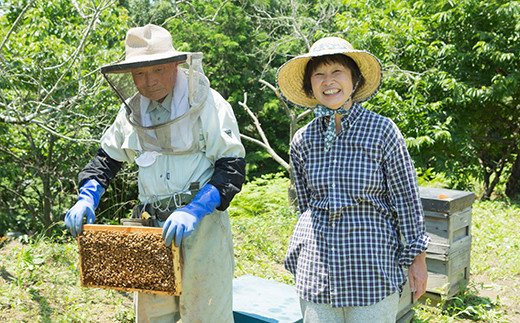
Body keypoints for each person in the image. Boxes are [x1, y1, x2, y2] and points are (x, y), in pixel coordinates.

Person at [64, 24, 245, 322]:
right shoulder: (132, 112)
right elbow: (105, 160)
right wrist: (87, 197)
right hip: (150, 232)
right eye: (139, 74)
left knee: (206, 315)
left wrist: (195, 209)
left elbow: (232, 168)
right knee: (153, 318)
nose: (149, 82)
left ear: (176, 65)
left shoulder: (208, 103)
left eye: (158, 70)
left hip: (203, 231)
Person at [276, 36, 430, 322]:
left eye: (337, 72)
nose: (328, 81)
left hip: (371, 266)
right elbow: (304, 204)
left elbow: (406, 199)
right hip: (317, 270)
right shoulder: (303, 139)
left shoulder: (382, 131)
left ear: (354, 80)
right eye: (318, 74)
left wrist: (417, 259)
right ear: (310, 86)